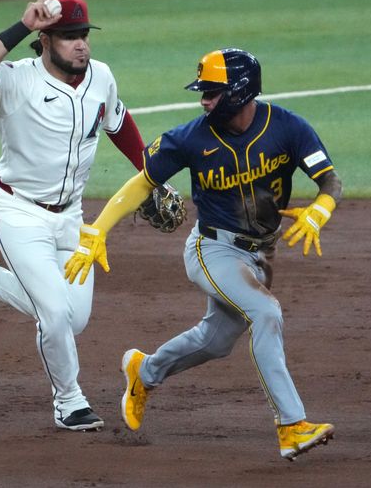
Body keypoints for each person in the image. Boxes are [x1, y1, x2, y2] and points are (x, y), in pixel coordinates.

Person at [64, 48, 343, 460]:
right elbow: (141, 184)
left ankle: (145, 371)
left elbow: (329, 181)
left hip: (261, 258)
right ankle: (291, 426)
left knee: (215, 340)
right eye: (203, 93)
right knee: (266, 314)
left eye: (212, 93)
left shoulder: (287, 128)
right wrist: (97, 230)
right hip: (211, 249)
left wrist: (321, 210)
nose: (203, 100)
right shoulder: (191, 137)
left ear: (240, 92)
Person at [0, 0, 148, 432]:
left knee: (75, 319)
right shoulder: (14, 81)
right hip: (16, 209)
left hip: (72, 217)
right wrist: (21, 24)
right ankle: (69, 401)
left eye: (84, 35)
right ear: (45, 39)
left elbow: (119, 125)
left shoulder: (101, 77)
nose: (81, 45)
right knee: (53, 314)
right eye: (69, 37)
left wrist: (151, 171)